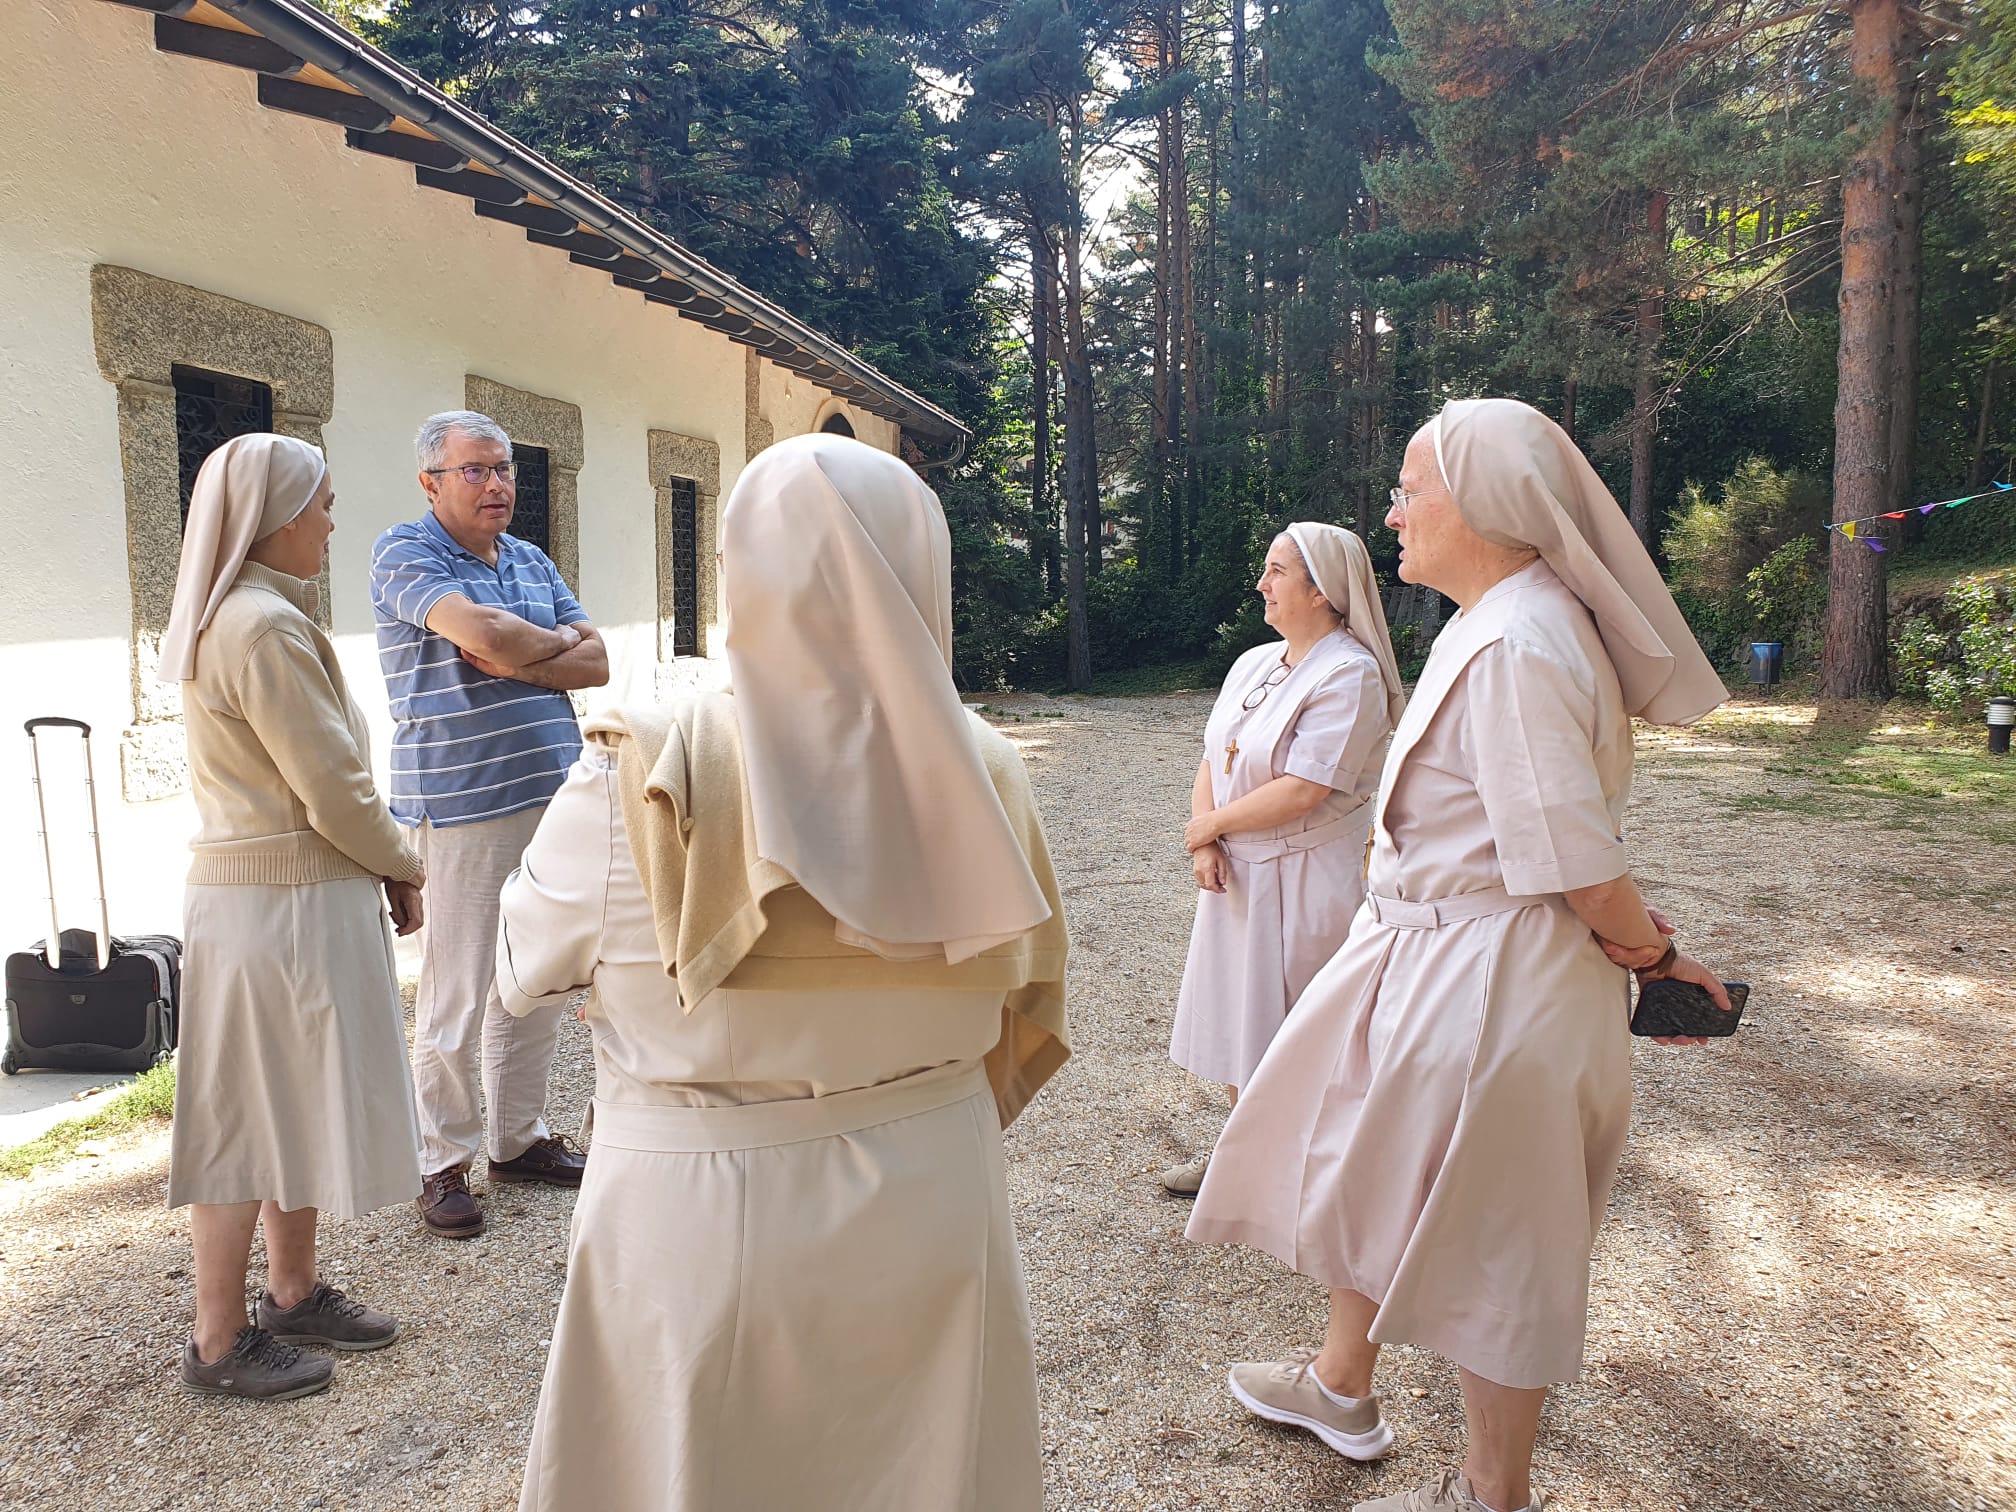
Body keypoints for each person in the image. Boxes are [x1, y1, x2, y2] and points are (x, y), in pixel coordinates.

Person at [495, 434, 1070, 1512]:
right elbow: (1020, 998)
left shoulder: (641, 769)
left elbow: (522, 963)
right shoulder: (991, 771)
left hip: (706, 1220)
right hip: (932, 1205)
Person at [1186, 398, 1734, 1512]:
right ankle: (1341, 1385)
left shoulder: (1517, 640)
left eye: (1409, 487)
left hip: (1495, 985)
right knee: (1382, 1168)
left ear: (1484, 501)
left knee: (1496, 1237)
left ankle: (1493, 1494)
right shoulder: (1503, 621)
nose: (1391, 512)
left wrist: (1652, 953)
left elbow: (1570, 858)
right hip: (1441, 961)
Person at [162, 434, 425, 1401]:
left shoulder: (237, 613)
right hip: (280, 905)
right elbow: (334, 791)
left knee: (284, 1096)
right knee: (243, 1114)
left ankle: (292, 1288)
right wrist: (406, 863)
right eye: (317, 503)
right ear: (272, 516)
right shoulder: (261, 627)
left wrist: (382, 863)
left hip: (274, 899)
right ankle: (220, 1339)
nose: (327, 519)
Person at [369, 410, 609, 1239]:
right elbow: (478, 632)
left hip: (553, 789)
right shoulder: (408, 552)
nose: (497, 484)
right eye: (474, 470)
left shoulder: (530, 557)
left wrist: (518, 650)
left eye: (503, 468)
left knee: (537, 975)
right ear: (431, 482)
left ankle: (518, 1140)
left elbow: (599, 658)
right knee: (460, 989)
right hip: (463, 799)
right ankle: (442, 1162)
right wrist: (545, 648)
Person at [1162, 524, 1406, 1196]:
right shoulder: (1255, 662)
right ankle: (1245, 1155)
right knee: (1246, 1017)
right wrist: (1207, 837)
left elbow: (1306, 789)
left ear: (1323, 592)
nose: (1262, 584)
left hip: (1303, 876)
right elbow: (1217, 756)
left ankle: (1313, 1172)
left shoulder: (1350, 673)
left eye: (1276, 571)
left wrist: (1207, 826)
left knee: (1300, 1024)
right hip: (1239, 872)